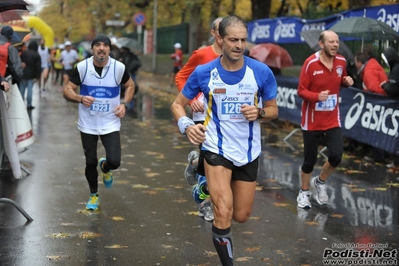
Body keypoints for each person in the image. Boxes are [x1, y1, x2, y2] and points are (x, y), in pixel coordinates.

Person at [171, 15, 278, 266]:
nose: (239, 45)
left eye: (243, 40)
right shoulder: (204, 72)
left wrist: (260, 112)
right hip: (215, 147)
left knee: (241, 215)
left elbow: (273, 111)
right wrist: (186, 125)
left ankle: (202, 182)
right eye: (233, 40)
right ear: (220, 38)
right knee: (223, 210)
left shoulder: (261, 72)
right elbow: (177, 105)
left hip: (248, 150)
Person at [63, 34, 135, 211]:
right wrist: (80, 98)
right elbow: (67, 90)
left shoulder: (118, 68)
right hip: (88, 123)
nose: (101, 48)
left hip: (110, 122)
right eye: (97, 45)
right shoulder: (82, 67)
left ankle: (106, 166)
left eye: (105, 45)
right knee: (89, 161)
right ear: (92, 49)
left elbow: (130, 85)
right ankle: (94, 194)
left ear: (110, 49)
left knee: (115, 161)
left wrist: (125, 104)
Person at [296, 30, 354, 210]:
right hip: (311, 120)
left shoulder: (341, 61)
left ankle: (320, 182)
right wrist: (316, 96)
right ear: (322, 44)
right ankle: (304, 193)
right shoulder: (310, 63)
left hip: (332, 119)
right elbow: (301, 90)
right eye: (331, 42)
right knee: (309, 160)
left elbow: (340, 78)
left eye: (337, 42)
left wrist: (346, 81)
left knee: (336, 156)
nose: (335, 45)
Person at [174, 17, 223, 222]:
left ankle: (194, 163)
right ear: (214, 33)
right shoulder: (202, 54)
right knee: (210, 157)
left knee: (218, 159)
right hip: (202, 114)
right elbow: (181, 77)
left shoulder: (237, 57)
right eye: (221, 32)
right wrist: (192, 99)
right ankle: (204, 205)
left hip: (224, 117)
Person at [354, 52, 388, 163]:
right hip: (382, 103)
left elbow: (374, 88)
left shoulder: (368, 71)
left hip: (376, 105)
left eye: (356, 63)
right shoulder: (373, 66)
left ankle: (378, 156)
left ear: (359, 63)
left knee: (374, 130)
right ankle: (382, 154)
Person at [19, 41, 41, 109]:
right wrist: (37, 76)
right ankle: (29, 104)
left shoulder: (24, 53)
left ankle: (21, 103)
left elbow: (20, 62)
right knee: (30, 90)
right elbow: (38, 67)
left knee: (22, 89)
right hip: (32, 75)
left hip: (23, 73)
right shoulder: (37, 55)